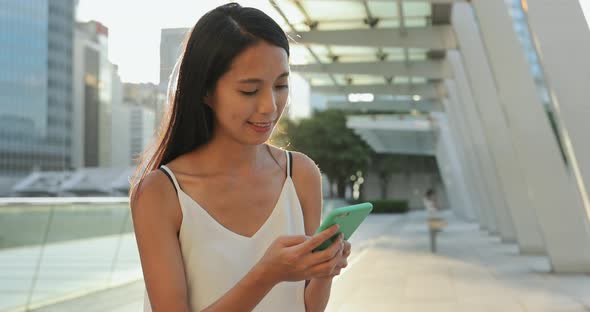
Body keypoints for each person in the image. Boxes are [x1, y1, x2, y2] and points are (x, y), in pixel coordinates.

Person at [129, 3, 351, 311]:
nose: (270, 107)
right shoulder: (160, 193)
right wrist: (267, 274)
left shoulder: (300, 175)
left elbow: (308, 307)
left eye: (281, 85)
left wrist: (325, 270)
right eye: (249, 90)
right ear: (205, 91)